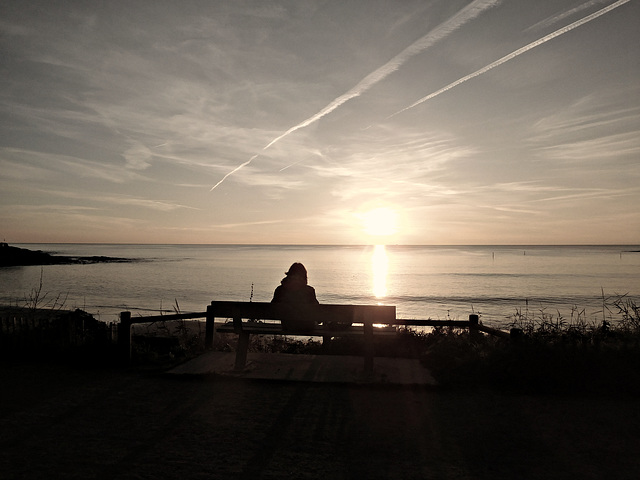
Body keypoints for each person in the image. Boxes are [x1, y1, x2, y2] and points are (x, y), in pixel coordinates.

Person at [271, 262, 319, 331]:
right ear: (304, 276)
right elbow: (317, 310)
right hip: (307, 327)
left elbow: (272, 308)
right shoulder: (309, 291)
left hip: (287, 326)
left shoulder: (280, 289)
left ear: (289, 274)